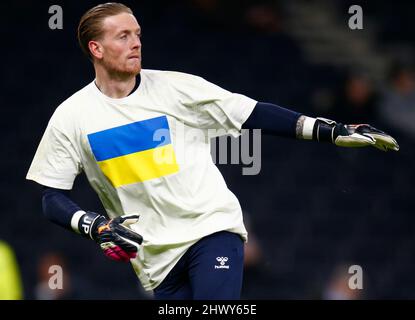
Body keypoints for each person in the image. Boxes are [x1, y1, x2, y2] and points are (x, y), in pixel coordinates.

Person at [26, 3, 399, 300]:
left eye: (137, 34)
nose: (136, 43)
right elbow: (50, 197)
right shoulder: (72, 116)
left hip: (211, 229)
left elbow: (252, 113)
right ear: (96, 48)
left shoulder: (177, 89)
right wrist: (94, 226)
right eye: (123, 36)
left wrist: (330, 130)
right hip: (154, 259)